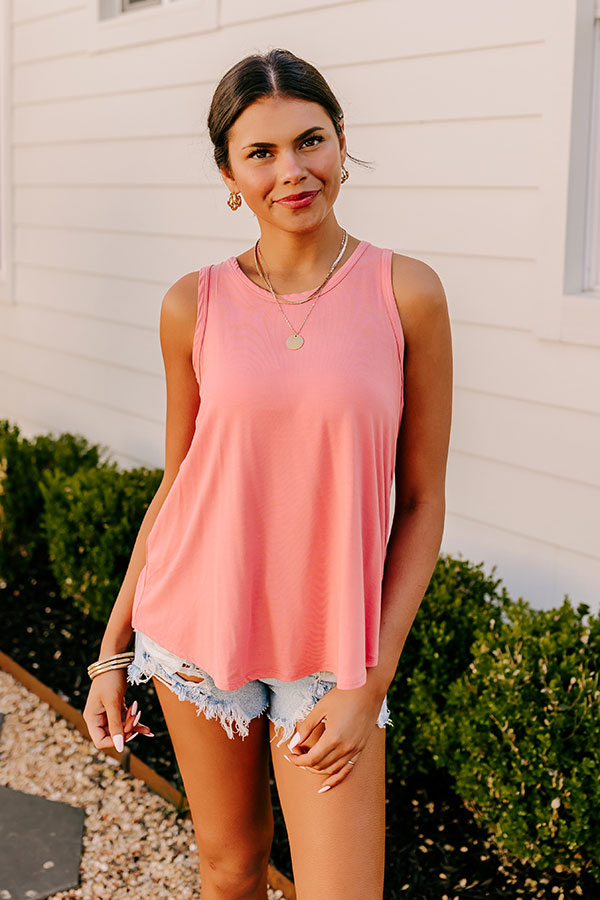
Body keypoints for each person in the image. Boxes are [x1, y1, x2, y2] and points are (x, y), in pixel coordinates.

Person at [83, 48, 452, 900]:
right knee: (231, 867)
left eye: (310, 141)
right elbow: (182, 483)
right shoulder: (192, 303)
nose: (293, 170)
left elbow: (424, 500)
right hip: (199, 630)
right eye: (262, 153)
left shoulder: (408, 293)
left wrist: (371, 681)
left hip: (335, 654)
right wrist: (112, 652)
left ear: (342, 142)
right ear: (229, 174)